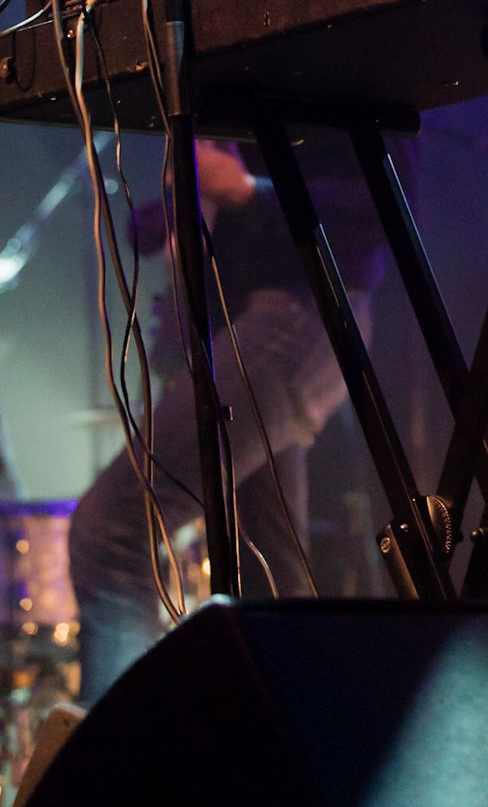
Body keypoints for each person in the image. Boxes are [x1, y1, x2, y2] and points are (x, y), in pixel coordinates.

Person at [68, 136, 387, 704]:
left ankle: (119, 776)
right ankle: (294, 757)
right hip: (237, 328)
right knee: (270, 564)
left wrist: (243, 191)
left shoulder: (315, 63)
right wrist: (180, 198)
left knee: (114, 531)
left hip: (299, 313)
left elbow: (377, 204)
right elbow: (147, 232)